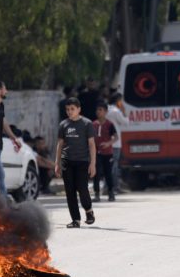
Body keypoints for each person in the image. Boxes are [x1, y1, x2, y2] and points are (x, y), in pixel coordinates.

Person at [55, 97, 96, 228]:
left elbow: (91, 144)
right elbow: (60, 145)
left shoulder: (87, 124)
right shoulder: (63, 125)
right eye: (67, 109)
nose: (70, 112)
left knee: (82, 189)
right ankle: (75, 220)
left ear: (79, 109)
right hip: (67, 162)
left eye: (72, 109)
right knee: (70, 191)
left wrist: (92, 163)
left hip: (82, 161)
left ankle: (89, 210)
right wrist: (57, 163)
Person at [92, 101, 117, 202]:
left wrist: (108, 143)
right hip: (96, 152)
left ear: (106, 112)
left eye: (100, 110)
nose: (98, 112)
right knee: (96, 173)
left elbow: (116, 137)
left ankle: (111, 193)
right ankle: (97, 194)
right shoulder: (93, 124)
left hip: (107, 153)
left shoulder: (110, 124)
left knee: (108, 173)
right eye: (97, 110)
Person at [106, 92, 129, 194]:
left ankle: (108, 186)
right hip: (115, 142)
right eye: (121, 100)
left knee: (107, 165)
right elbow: (125, 123)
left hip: (106, 141)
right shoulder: (116, 111)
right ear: (118, 101)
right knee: (114, 165)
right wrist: (124, 111)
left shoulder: (106, 109)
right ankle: (114, 187)